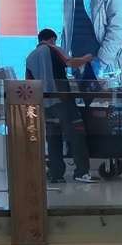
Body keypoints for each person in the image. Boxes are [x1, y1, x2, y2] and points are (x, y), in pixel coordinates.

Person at [25, 28, 96, 183]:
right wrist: (86, 58)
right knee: (77, 135)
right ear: (52, 39)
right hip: (62, 100)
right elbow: (70, 62)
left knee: (53, 138)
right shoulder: (52, 48)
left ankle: (56, 174)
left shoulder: (30, 57)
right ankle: (81, 172)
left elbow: (29, 84)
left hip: (45, 104)